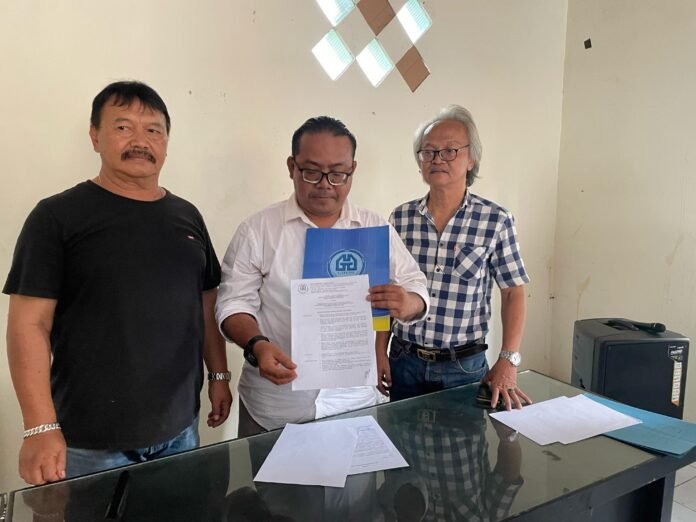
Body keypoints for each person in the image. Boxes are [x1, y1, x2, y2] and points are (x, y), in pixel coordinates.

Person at [4, 81, 232, 485]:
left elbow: (205, 302)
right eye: (123, 127)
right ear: (95, 136)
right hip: (89, 442)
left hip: (180, 429)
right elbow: (28, 324)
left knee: (180, 513)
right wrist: (39, 426)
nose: (140, 141)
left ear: (166, 142)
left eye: (153, 130)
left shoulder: (187, 216)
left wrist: (219, 376)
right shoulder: (56, 217)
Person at [215, 116, 428, 436]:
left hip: (354, 403)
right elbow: (232, 303)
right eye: (312, 172)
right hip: (275, 406)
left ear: (353, 169)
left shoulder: (375, 228)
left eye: (338, 173)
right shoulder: (258, 230)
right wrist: (257, 345)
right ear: (292, 167)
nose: (325, 184)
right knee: (271, 472)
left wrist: (408, 302)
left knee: (359, 473)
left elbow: (416, 286)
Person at [377, 105, 531, 410]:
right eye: (429, 152)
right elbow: (386, 290)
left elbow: (513, 292)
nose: (437, 159)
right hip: (404, 360)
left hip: (463, 367)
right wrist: (379, 350)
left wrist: (508, 359)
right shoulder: (400, 218)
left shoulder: (495, 220)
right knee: (399, 439)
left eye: (450, 150)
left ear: (471, 158)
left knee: (466, 441)